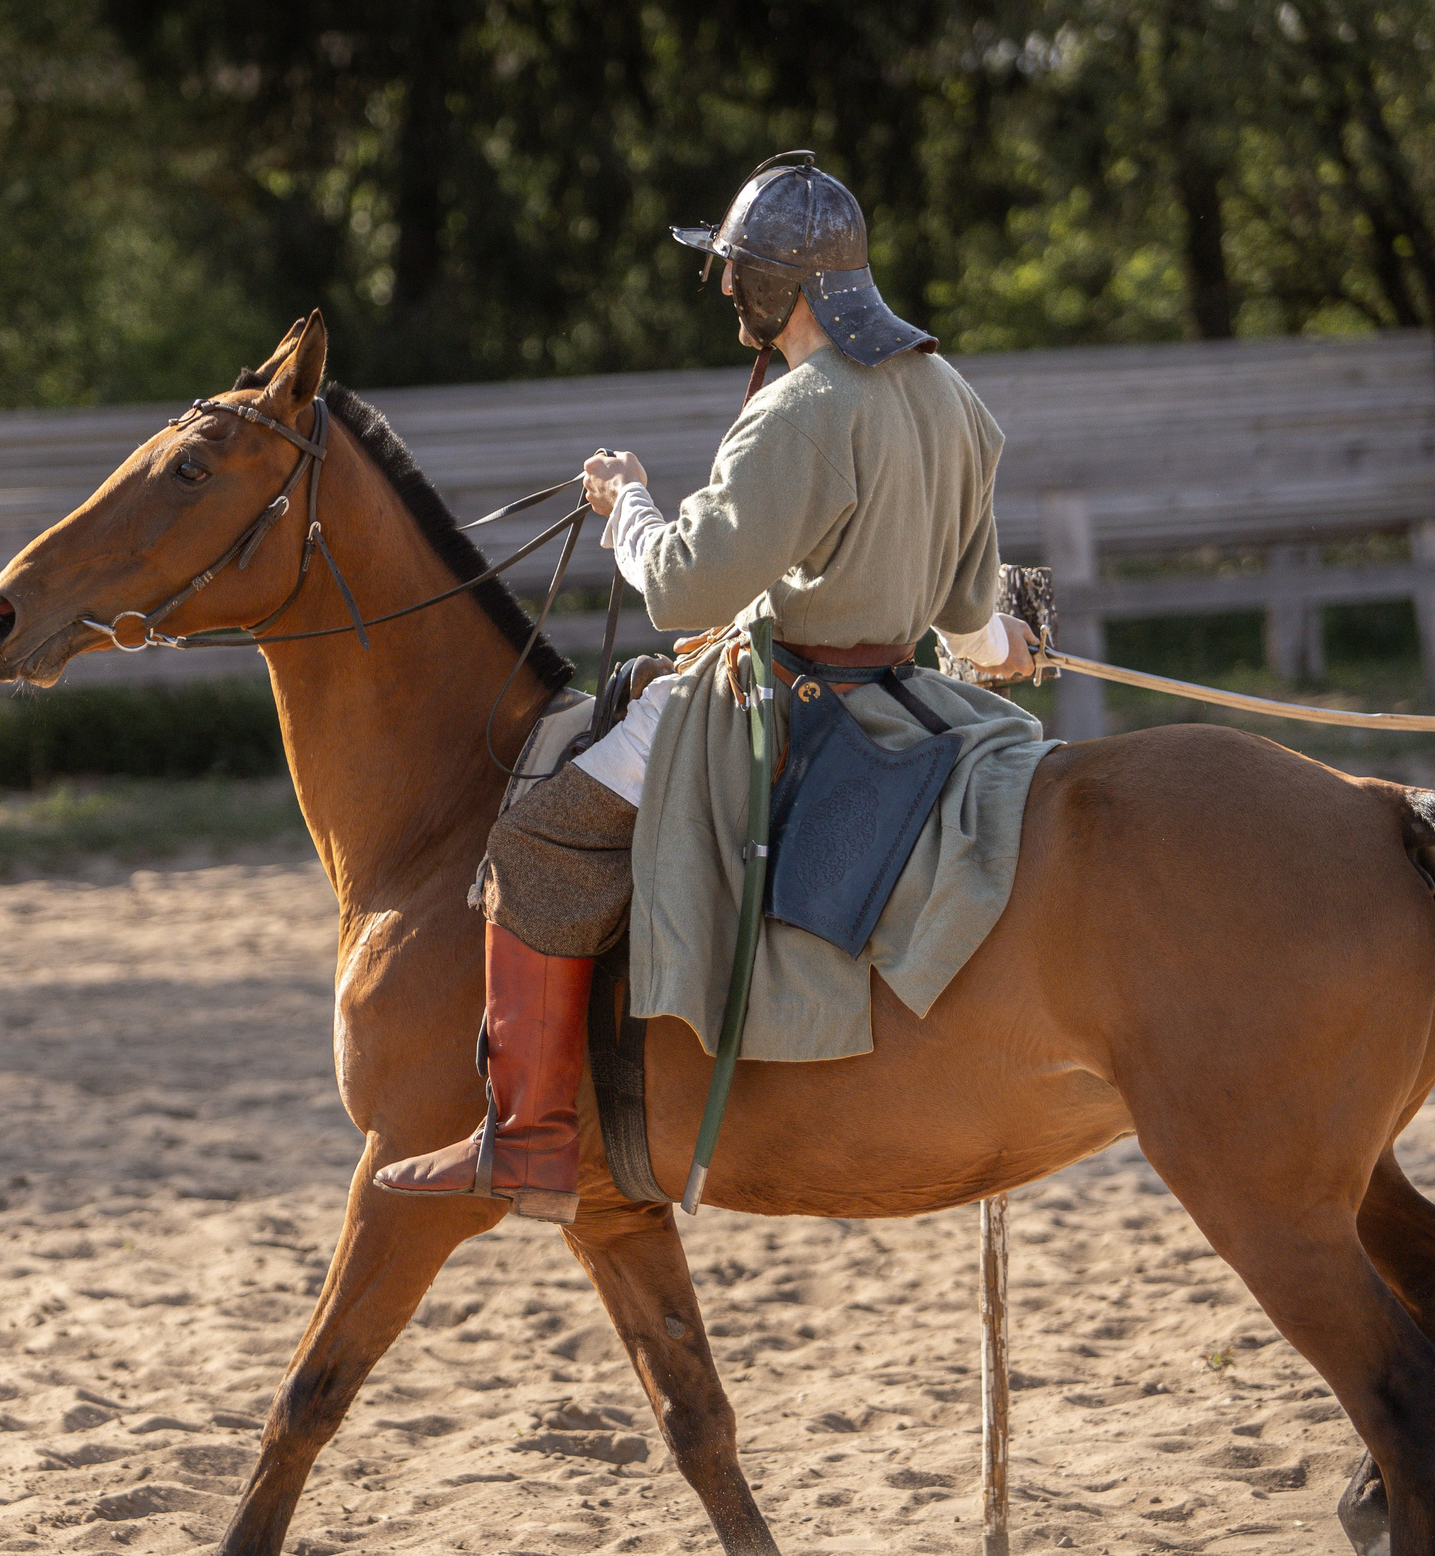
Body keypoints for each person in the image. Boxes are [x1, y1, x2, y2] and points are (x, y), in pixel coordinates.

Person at [373, 152, 1039, 1221]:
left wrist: (626, 503)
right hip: (912, 696)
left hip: (779, 704)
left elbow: (682, 587)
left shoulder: (799, 410)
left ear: (780, 284)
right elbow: (971, 616)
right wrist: (1013, 643)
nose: (727, 293)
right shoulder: (950, 394)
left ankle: (533, 1141)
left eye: (735, 275)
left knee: (535, 844)